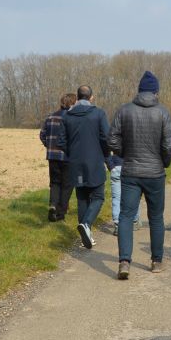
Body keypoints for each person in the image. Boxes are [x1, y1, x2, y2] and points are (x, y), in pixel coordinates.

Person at [108, 71, 171, 280]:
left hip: (131, 172)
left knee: (126, 216)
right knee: (156, 217)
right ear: (156, 91)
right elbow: (168, 145)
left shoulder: (124, 110)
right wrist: (164, 163)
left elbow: (112, 140)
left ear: (139, 90)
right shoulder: (163, 113)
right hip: (155, 173)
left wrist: (125, 153)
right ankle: (156, 261)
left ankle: (124, 262)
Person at [61, 85, 109, 250]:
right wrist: (106, 156)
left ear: (77, 97)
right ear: (91, 97)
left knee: (82, 198)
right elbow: (106, 138)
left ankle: (84, 237)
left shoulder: (67, 116)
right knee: (98, 197)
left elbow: (61, 141)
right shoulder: (98, 114)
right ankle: (86, 224)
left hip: (75, 163)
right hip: (95, 162)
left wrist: (71, 154)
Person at [39, 93, 76, 222]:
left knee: (54, 183)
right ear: (72, 104)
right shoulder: (72, 118)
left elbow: (42, 134)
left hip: (52, 155)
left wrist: (49, 145)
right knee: (67, 185)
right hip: (67, 156)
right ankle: (61, 212)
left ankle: (53, 205)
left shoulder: (50, 117)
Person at [106, 150, 141, 235]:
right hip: (130, 166)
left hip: (116, 166)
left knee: (116, 198)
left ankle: (117, 225)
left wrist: (111, 165)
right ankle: (134, 221)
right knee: (134, 194)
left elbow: (106, 149)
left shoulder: (114, 140)